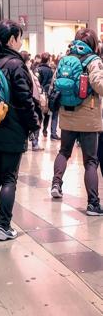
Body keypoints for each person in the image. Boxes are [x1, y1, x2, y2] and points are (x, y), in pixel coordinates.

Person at [0, 21, 40, 241]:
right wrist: (34, 125)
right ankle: (5, 226)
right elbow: (25, 101)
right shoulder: (16, 64)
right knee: (9, 179)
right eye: (19, 37)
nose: (20, 42)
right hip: (12, 130)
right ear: (12, 39)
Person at [51, 29, 103, 215]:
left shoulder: (66, 58)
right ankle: (93, 204)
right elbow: (99, 84)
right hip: (88, 117)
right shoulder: (93, 60)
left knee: (64, 151)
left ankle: (56, 183)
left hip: (67, 113)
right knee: (90, 161)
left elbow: (55, 83)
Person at [21, 51, 44, 151]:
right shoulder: (28, 72)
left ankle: (25, 143)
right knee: (37, 120)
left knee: (24, 122)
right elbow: (35, 88)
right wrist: (39, 100)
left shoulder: (19, 70)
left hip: (22, 101)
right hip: (32, 101)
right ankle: (35, 143)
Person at [37, 52, 59, 140]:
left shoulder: (38, 69)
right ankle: (45, 130)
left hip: (39, 94)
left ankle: (36, 135)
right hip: (47, 95)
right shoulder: (50, 71)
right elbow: (51, 84)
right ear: (48, 60)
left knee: (39, 114)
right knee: (48, 114)